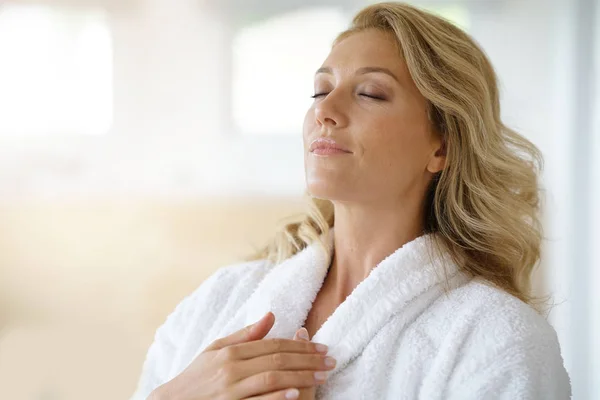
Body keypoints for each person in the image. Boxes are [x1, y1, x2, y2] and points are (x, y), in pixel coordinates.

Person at [131, 2, 571, 399]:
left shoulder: (497, 339)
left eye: (370, 93)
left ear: (441, 147)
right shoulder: (222, 299)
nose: (325, 110)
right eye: (320, 91)